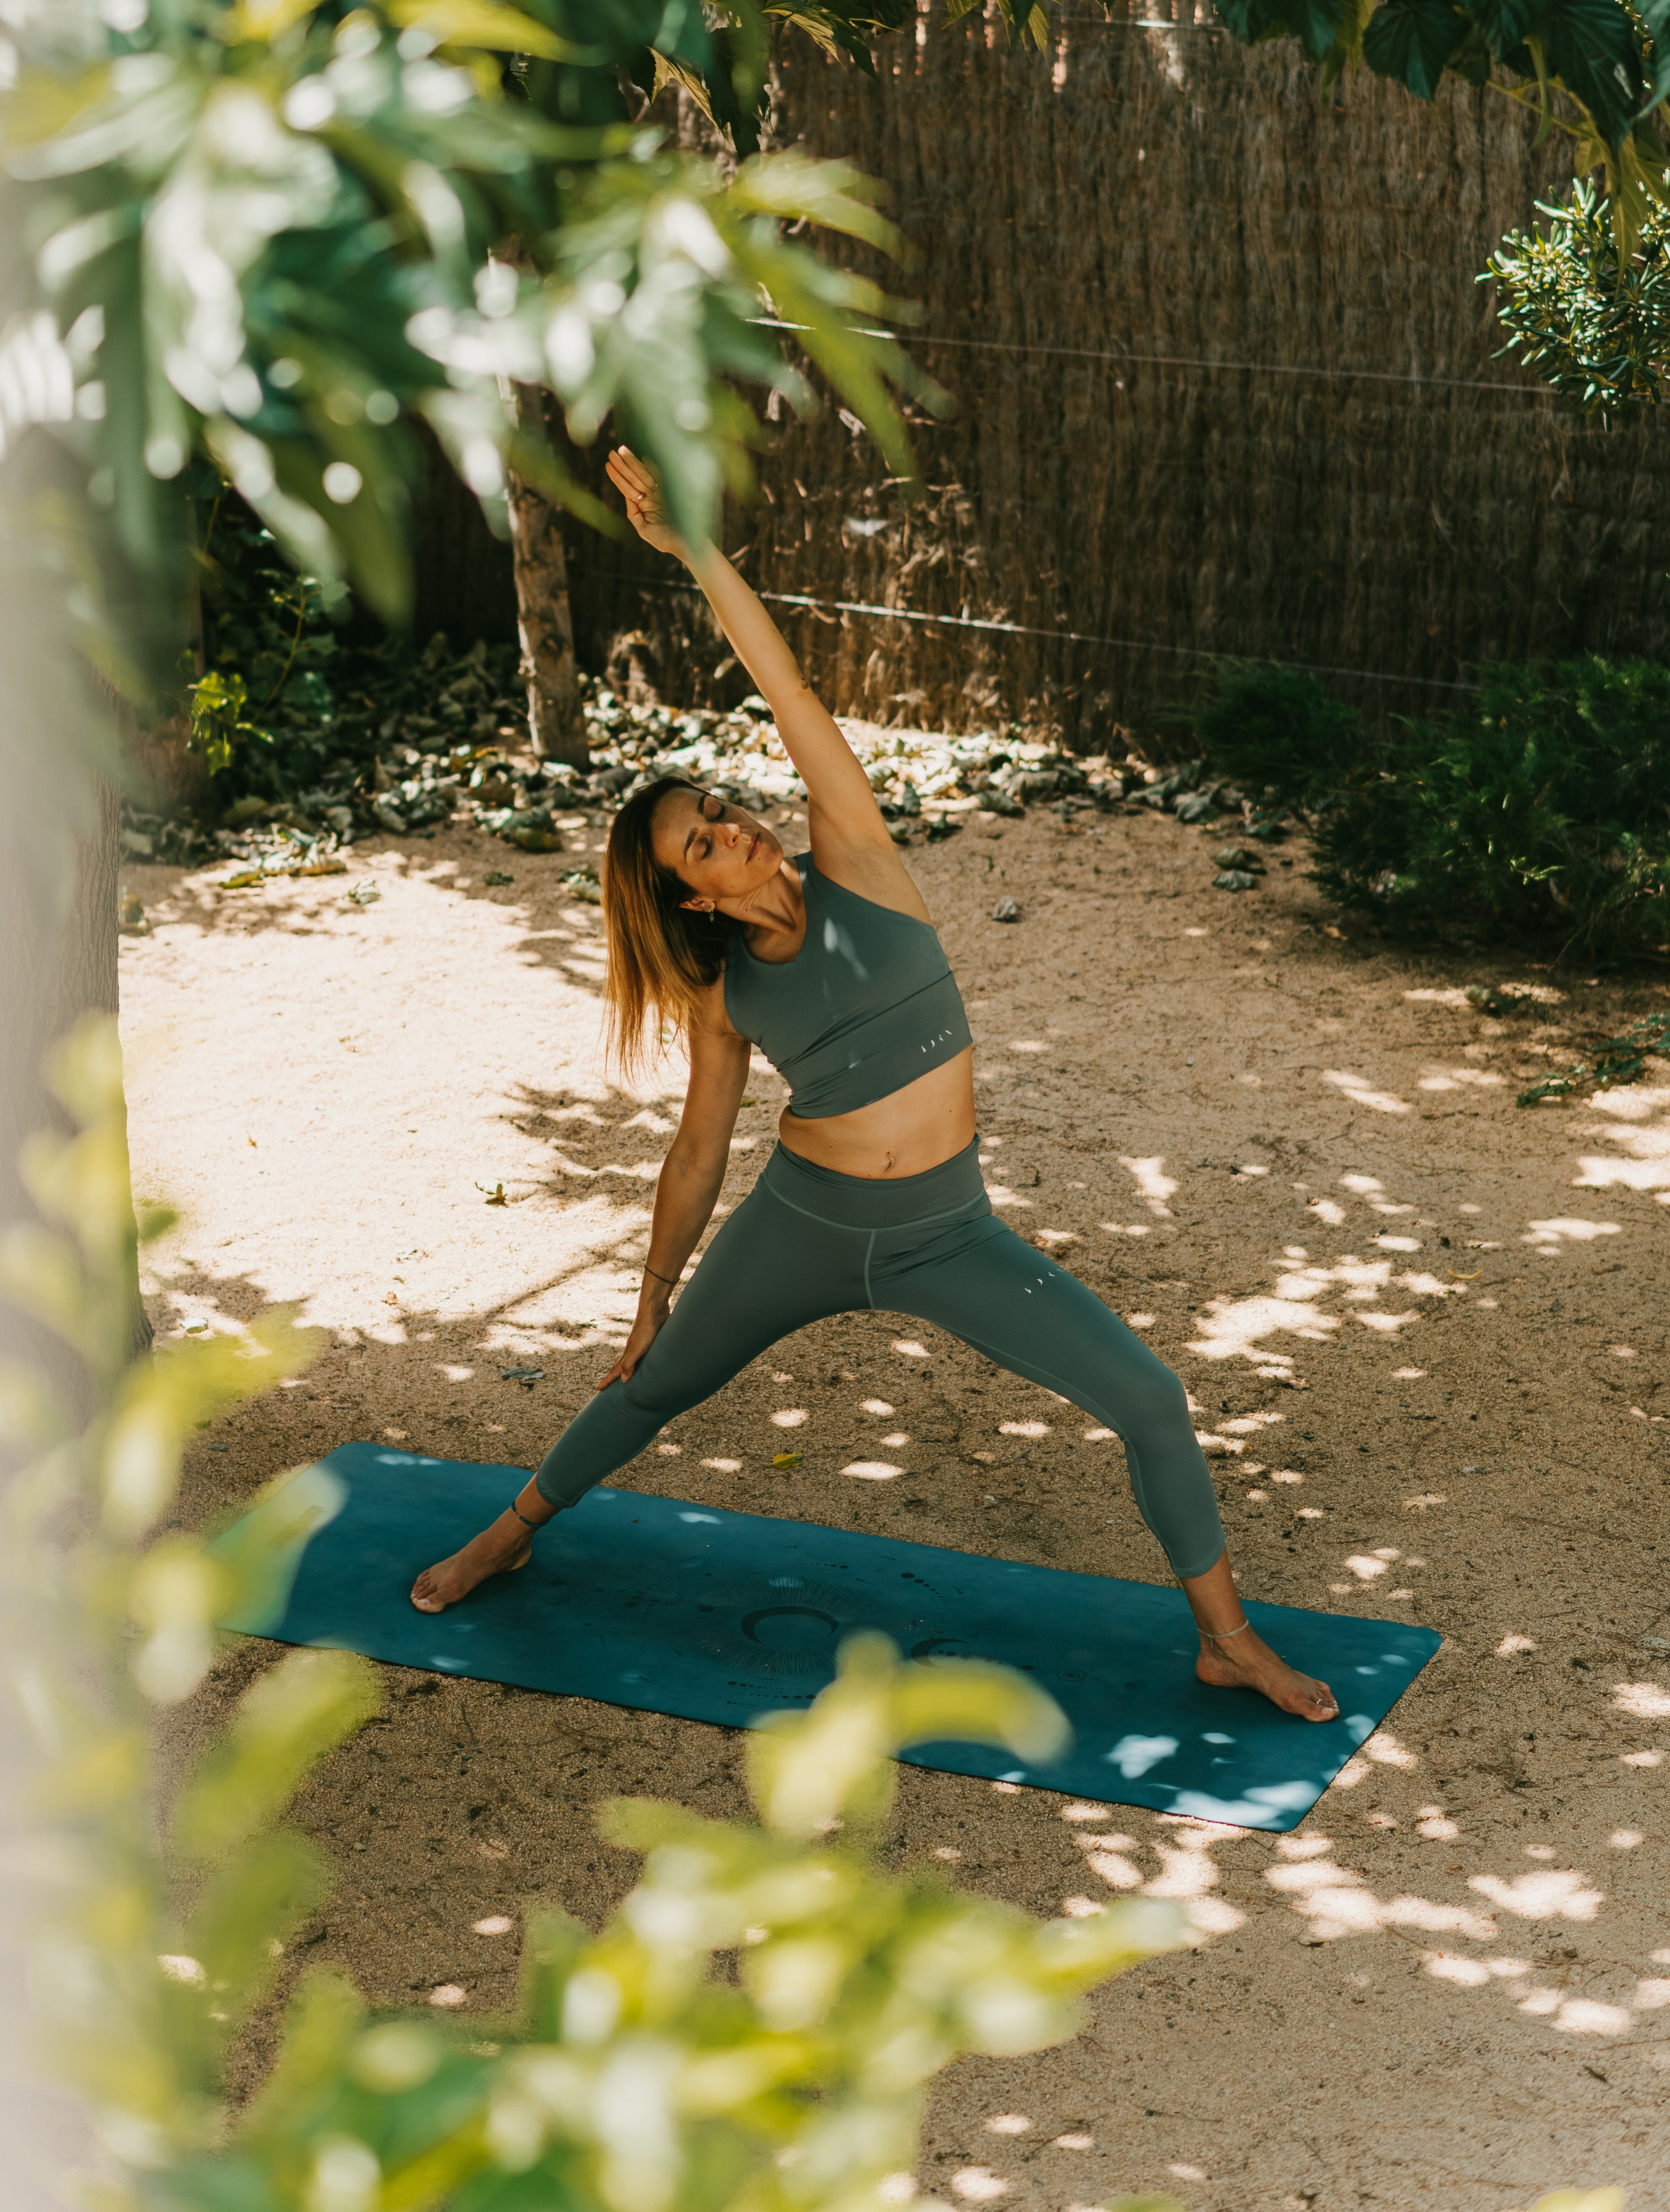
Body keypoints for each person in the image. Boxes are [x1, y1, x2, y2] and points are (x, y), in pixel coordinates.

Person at [411, 450, 1337, 1725]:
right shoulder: (721, 993)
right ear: (690, 893)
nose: (730, 825)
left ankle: (1228, 1640)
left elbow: (786, 691)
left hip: (944, 1232)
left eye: (719, 807)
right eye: (701, 839)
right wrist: (654, 1294)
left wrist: (694, 550)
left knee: (1149, 1395)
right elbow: (694, 1155)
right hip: (804, 1222)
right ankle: (510, 1529)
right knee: (655, 1381)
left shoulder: (856, 861)